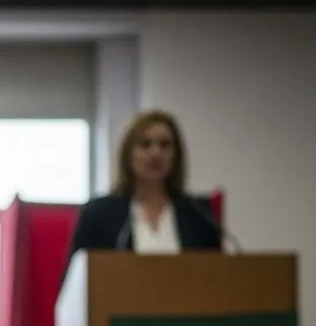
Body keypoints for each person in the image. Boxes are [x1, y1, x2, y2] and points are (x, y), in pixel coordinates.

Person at [69, 109, 222, 255]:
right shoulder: (98, 214)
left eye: (165, 145)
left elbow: (217, 270)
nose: (156, 153)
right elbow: (79, 271)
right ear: (128, 154)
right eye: (145, 144)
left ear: (176, 155)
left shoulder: (200, 214)